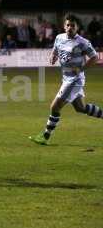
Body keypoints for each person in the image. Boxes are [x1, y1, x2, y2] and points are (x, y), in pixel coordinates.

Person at [29, 14, 100, 145]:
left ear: (77, 27)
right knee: (81, 108)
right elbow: (55, 49)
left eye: (73, 26)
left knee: (55, 107)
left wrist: (81, 69)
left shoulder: (82, 42)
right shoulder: (59, 38)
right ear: (64, 26)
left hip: (75, 80)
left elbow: (95, 58)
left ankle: (45, 136)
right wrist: (53, 56)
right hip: (66, 78)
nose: (70, 28)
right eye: (68, 25)